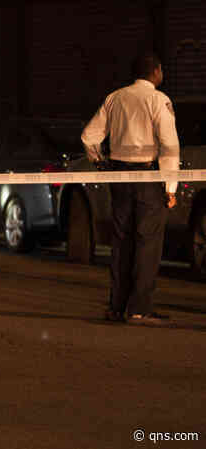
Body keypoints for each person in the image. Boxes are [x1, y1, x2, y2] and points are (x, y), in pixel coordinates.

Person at [81, 51, 180, 326]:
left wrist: (99, 162)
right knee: (147, 242)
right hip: (148, 178)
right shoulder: (159, 100)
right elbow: (170, 145)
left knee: (122, 240)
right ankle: (140, 308)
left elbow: (89, 136)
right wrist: (170, 187)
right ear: (156, 72)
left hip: (119, 178)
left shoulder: (115, 98)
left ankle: (117, 306)